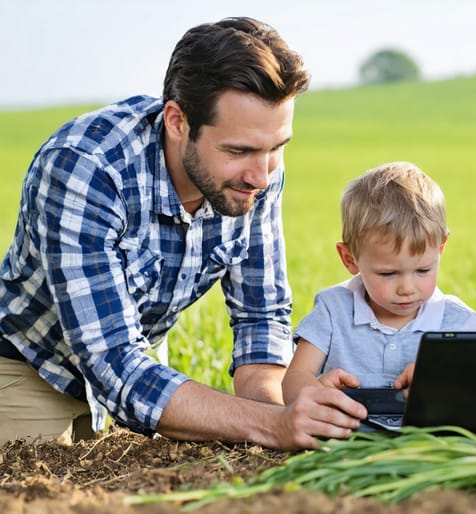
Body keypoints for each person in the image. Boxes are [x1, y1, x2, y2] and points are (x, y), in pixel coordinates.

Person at [0, 17, 367, 450]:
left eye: (277, 147)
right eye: (239, 150)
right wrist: (273, 426)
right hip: (32, 366)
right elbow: (113, 361)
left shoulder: (256, 171)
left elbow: (261, 319)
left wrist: (283, 422)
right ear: (177, 121)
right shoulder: (85, 169)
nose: (262, 176)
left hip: (137, 368)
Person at [282, 162, 476, 402]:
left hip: (429, 439)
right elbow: (295, 377)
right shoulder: (333, 310)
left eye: (423, 270)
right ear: (350, 259)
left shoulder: (457, 323)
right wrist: (313, 393)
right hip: (345, 435)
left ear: (441, 248)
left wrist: (440, 382)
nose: (407, 289)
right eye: (388, 274)